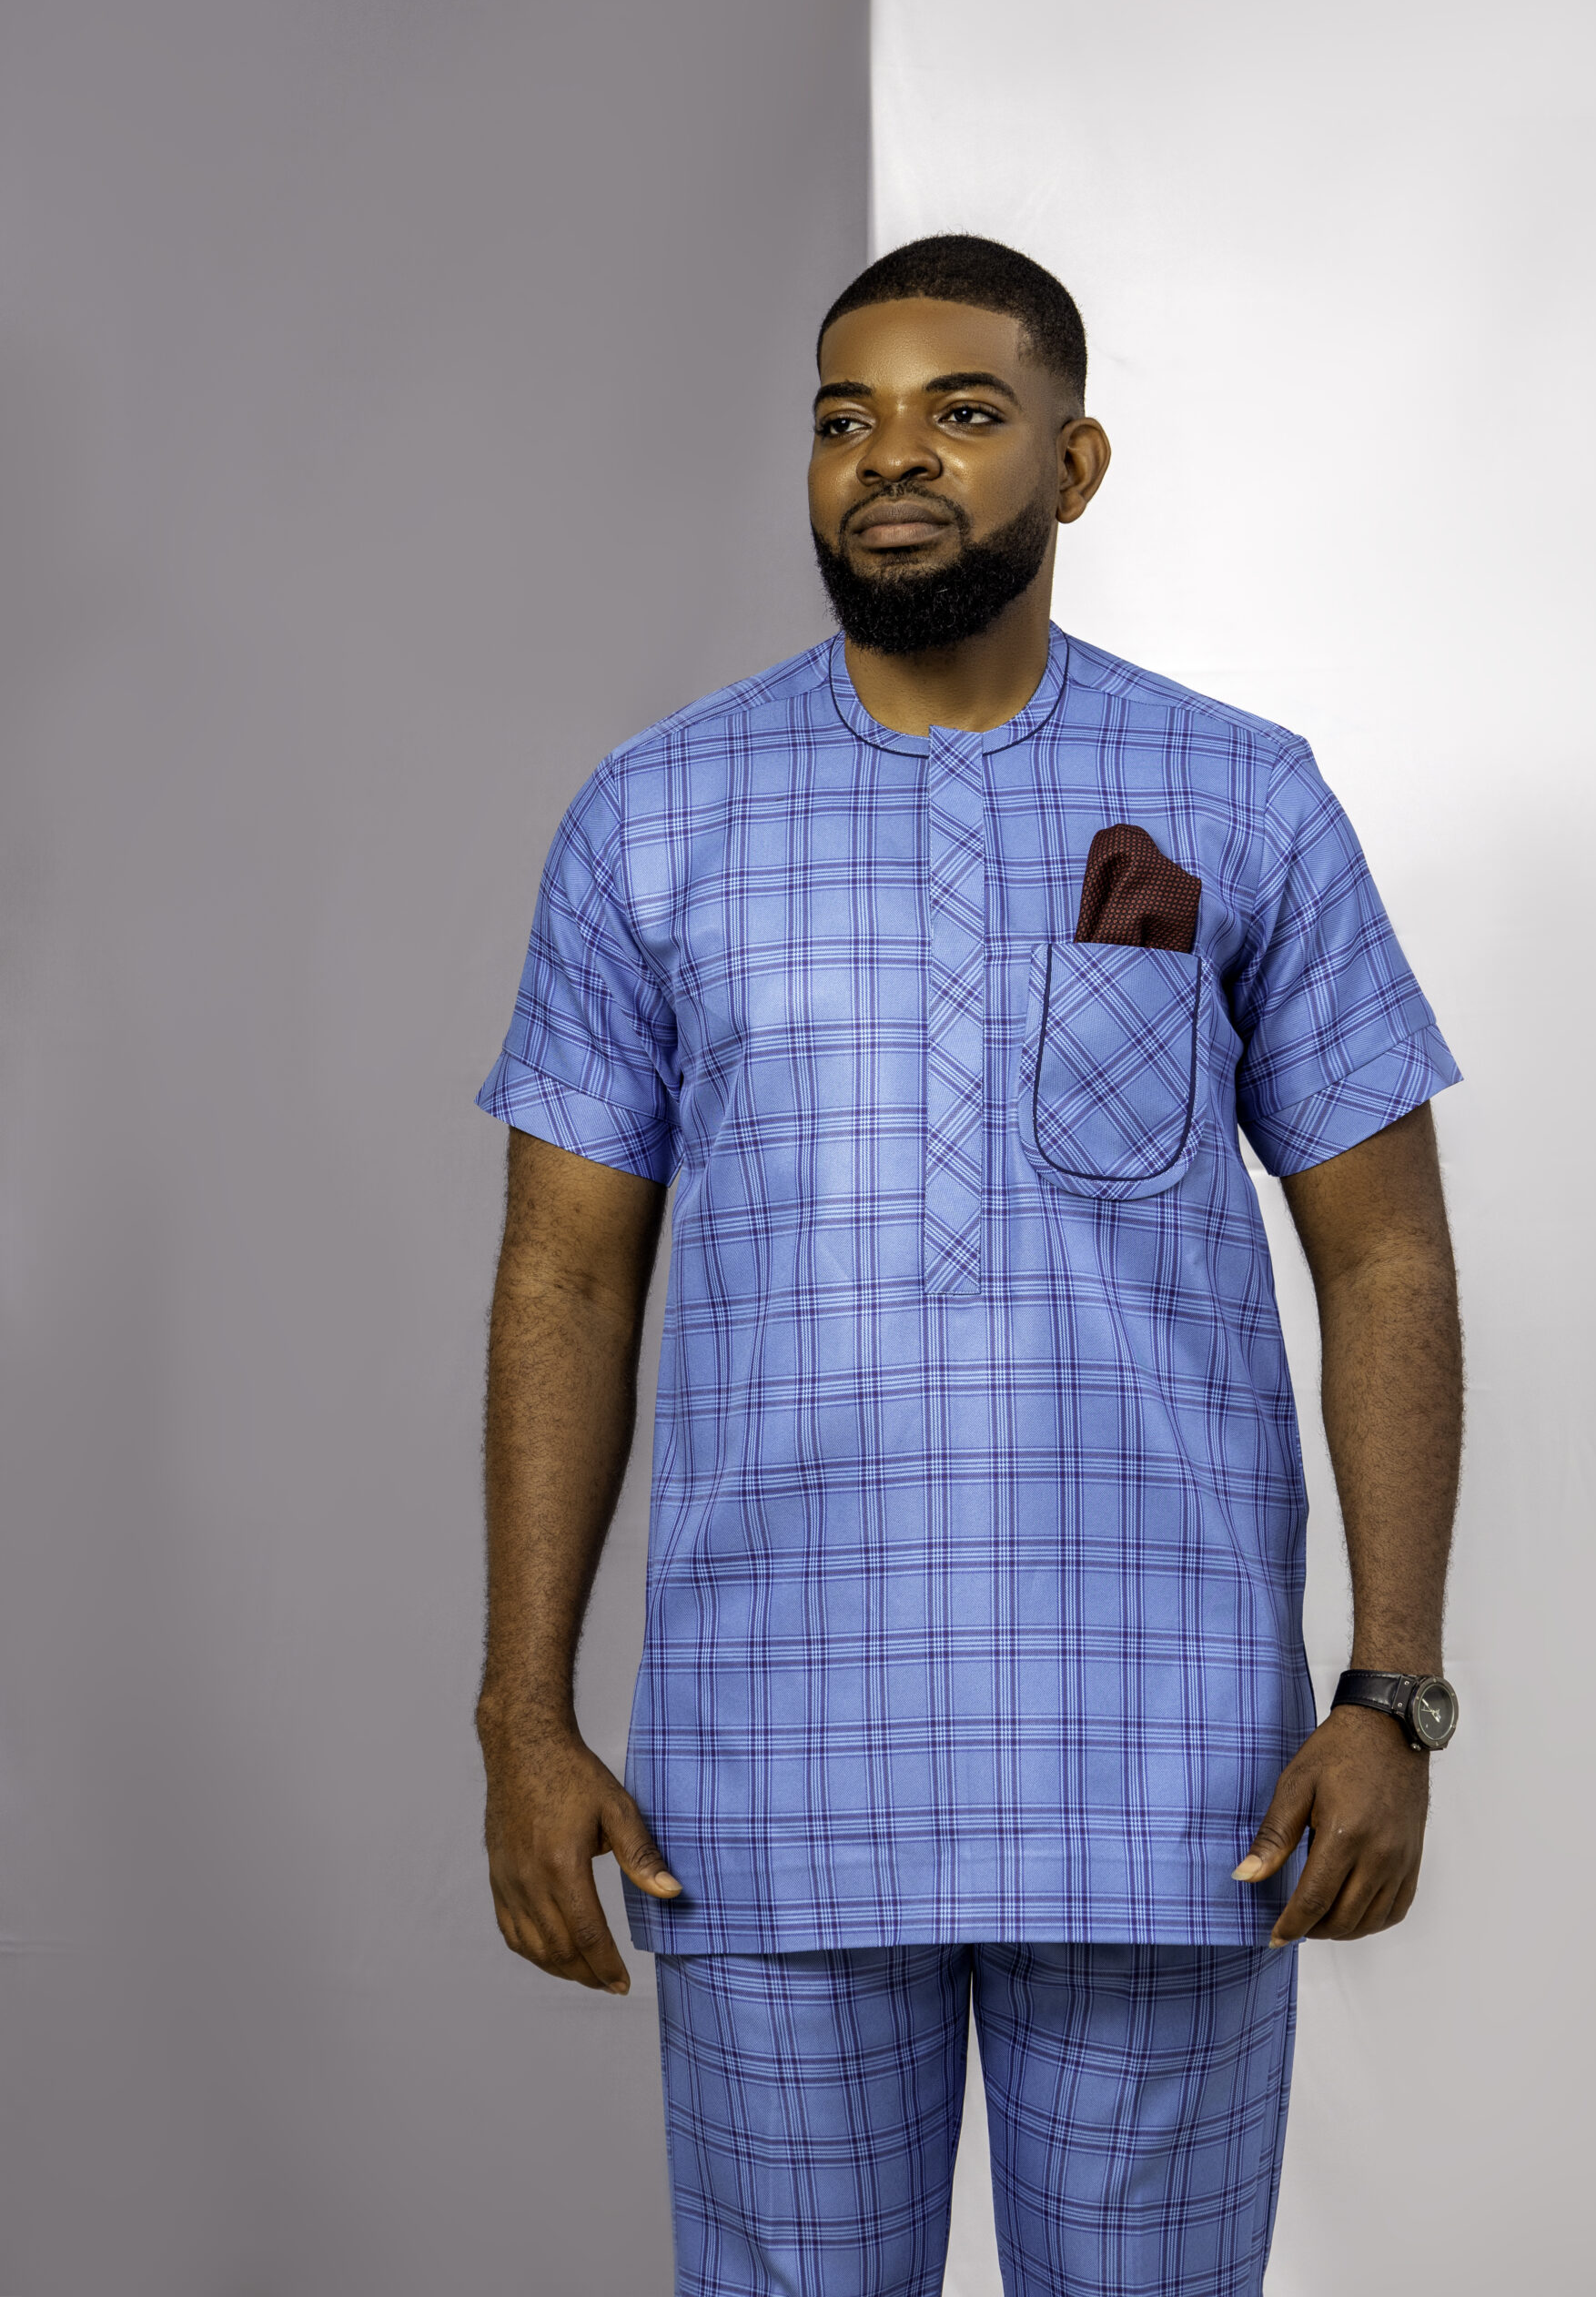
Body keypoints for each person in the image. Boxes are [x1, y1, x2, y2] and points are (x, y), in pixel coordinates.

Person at [474, 234, 1463, 2297]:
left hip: (1172, 1782)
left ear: (1075, 467)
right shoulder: (655, 817)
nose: (891, 456)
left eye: (962, 411)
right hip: (764, 1785)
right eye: (844, 418)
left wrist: (1387, 1690)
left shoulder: (1242, 796)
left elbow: (1383, 1256)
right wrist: (522, 1713)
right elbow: (565, 1280)